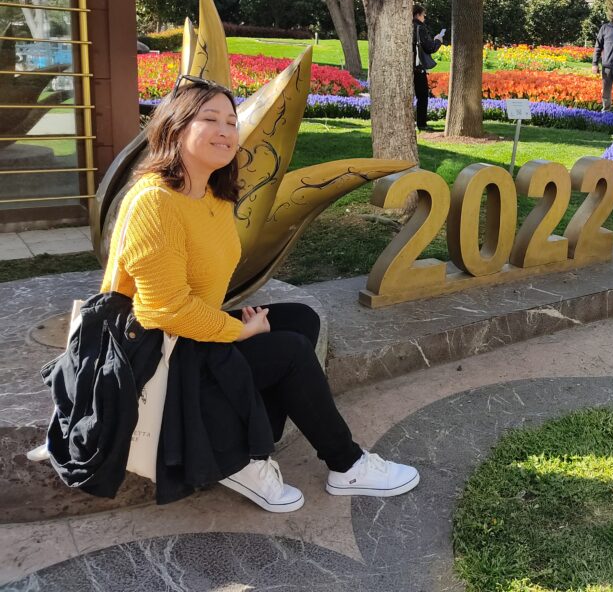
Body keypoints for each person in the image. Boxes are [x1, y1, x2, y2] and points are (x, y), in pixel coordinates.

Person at [102, 78, 420, 513]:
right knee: (287, 350)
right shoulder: (155, 202)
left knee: (300, 320)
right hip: (153, 355)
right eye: (209, 119)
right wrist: (237, 329)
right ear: (175, 129)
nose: (225, 131)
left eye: (231, 122)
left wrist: (237, 325)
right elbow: (163, 309)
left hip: (184, 337)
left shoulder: (212, 195)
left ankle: (246, 453)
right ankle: (346, 465)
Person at [413, 4, 443, 132]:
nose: (424, 17)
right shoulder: (420, 28)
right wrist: (438, 40)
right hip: (417, 68)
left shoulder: (406, 26)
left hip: (407, 67)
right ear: (418, 14)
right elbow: (429, 47)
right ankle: (421, 124)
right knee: (422, 96)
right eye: (423, 14)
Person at [592, 1, 613, 113]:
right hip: (606, 66)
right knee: (606, 92)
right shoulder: (605, 28)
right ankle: (605, 113)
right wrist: (595, 63)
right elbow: (598, 46)